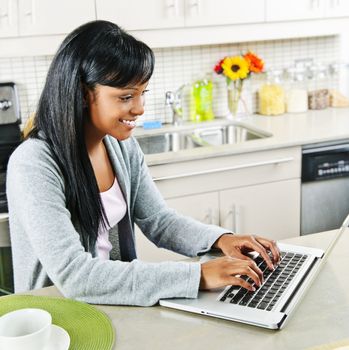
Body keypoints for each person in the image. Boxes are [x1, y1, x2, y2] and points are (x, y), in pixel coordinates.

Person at [7, 20, 280, 306]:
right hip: (57, 318)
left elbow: (158, 220)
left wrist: (221, 239)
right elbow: (75, 277)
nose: (139, 108)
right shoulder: (33, 164)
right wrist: (196, 275)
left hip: (112, 301)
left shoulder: (119, 146)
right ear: (84, 94)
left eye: (142, 93)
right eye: (126, 96)